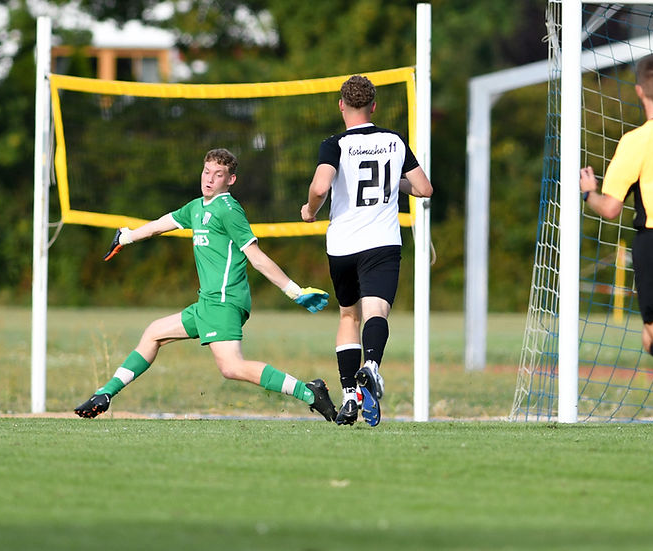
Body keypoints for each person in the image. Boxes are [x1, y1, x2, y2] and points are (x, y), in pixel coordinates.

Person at [74, 148, 338, 421]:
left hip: (224, 301)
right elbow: (160, 224)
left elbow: (257, 258)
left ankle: (310, 393)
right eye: (206, 172)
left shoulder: (229, 210)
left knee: (232, 367)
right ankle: (104, 394)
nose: (209, 179)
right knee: (154, 333)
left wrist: (294, 291)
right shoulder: (197, 207)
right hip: (207, 303)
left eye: (218, 174)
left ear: (230, 180)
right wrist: (126, 237)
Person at [301, 75, 433, 428]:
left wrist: (311, 209)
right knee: (377, 311)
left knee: (348, 317)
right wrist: (395, 181)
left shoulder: (334, 144)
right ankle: (371, 367)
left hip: (343, 244)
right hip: (381, 242)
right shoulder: (393, 140)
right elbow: (423, 188)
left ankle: (348, 397)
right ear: (374, 106)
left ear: (341, 105)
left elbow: (320, 185)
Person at [579, 52, 653, 410]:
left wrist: (589, 192)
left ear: (640, 91)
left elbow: (611, 208)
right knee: (650, 340)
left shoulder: (635, 142)